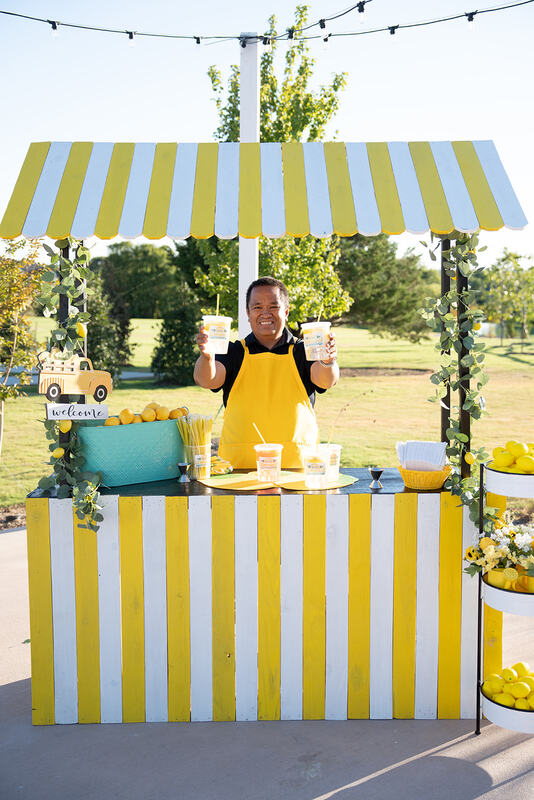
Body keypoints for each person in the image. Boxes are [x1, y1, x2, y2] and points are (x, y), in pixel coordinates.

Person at [194, 276, 339, 469]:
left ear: (286, 312)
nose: (265, 313)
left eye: (273, 306)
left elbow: (326, 381)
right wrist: (207, 357)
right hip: (239, 468)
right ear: (248, 313)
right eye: (257, 307)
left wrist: (328, 361)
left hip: (297, 467)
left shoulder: (304, 351)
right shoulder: (234, 351)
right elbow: (207, 380)